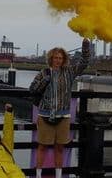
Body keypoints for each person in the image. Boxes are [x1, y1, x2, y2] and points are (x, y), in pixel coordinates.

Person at [28, 38, 90, 178]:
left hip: (63, 116)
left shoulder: (69, 72)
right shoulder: (44, 72)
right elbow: (32, 89)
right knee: (42, 146)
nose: (58, 60)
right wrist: (45, 81)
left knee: (60, 148)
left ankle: (59, 175)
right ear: (51, 58)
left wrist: (85, 46)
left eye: (60, 58)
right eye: (55, 57)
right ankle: (37, 175)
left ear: (64, 60)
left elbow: (83, 63)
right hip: (45, 115)